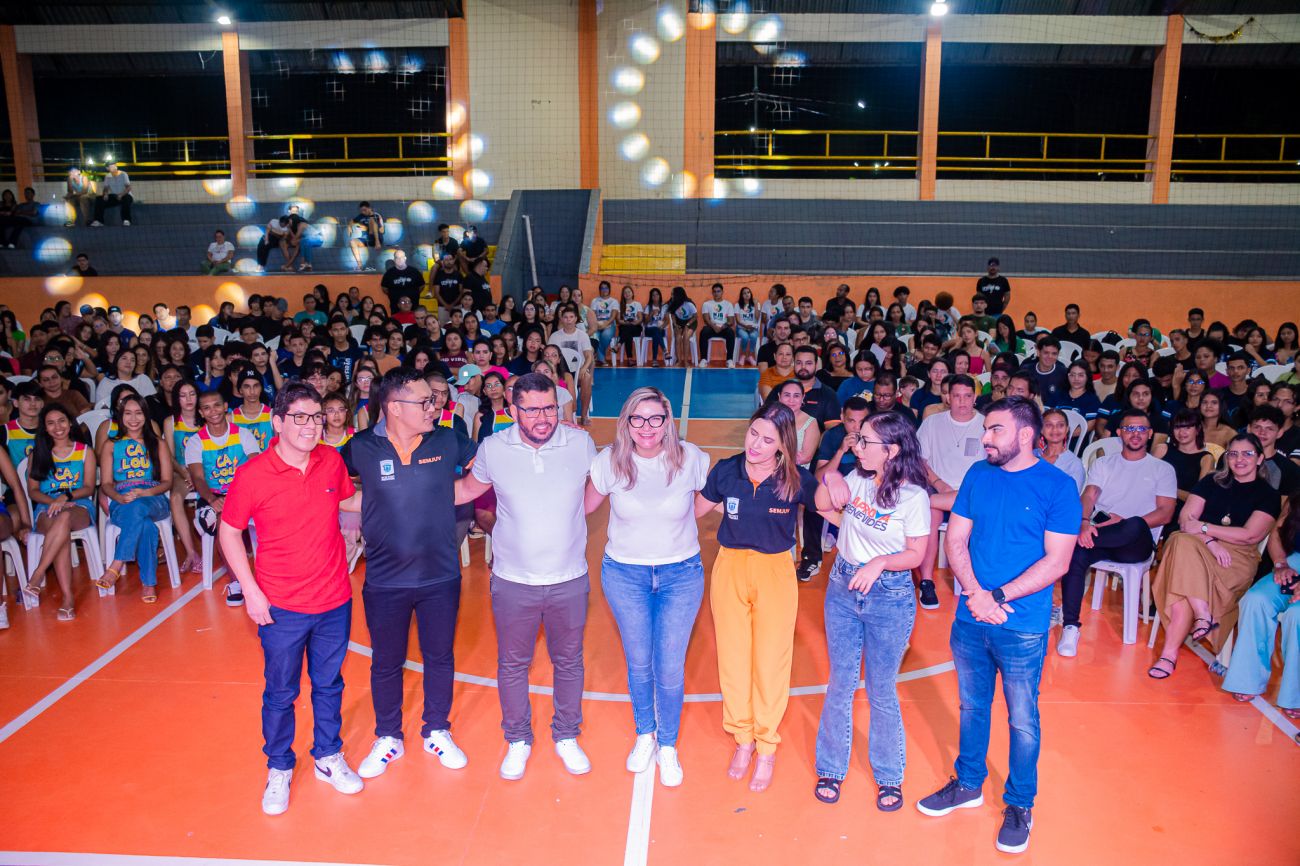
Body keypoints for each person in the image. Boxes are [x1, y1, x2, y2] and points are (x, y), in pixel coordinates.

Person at [916, 397, 1080, 856]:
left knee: (1022, 718)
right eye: (986, 429)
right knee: (972, 706)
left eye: (995, 430)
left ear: (1026, 435)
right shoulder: (978, 475)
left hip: (1022, 624)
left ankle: (1020, 804)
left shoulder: (1058, 486)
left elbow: (1058, 562)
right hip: (971, 615)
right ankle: (969, 783)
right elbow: (956, 539)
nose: (985, 438)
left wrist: (998, 597)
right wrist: (975, 594)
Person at [218, 382, 362, 815]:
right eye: (299, 417)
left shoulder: (330, 460)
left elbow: (348, 501)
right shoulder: (252, 474)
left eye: (316, 416)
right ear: (277, 422)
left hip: (334, 598)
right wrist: (251, 592)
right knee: (281, 692)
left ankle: (327, 755)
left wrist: (403, 492)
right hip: (281, 604)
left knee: (329, 684)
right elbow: (230, 532)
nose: (310, 425)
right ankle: (279, 765)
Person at [453, 373, 597, 781]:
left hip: (569, 578)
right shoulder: (494, 448)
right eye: (531, 410)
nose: (542, 418)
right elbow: (466, 491)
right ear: (513, 410)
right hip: (513, 580)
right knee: (513, 663)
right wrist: (407, 490)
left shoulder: (580, 443)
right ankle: (517, 738)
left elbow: (602, 487)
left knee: (569, 661)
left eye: (549, 408)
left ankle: (566, 734)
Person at [342, 368, 478, 779]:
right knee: (385, 662)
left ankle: (437, 729)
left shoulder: (447, 439)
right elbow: (326, 482)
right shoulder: (362, 447)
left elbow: (489, 468)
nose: (434, 407)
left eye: (434, 400)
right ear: (394, 407)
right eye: (424, 401)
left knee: (440, 656)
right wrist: (367, 503)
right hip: (385, 580)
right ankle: (388, 736)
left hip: (440, 576)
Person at [583, 388, 709, 787]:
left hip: (681, 574)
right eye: (637, 419)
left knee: (669, 666)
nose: (647, 427)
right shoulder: (610, 462)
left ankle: (667, 745)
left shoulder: (691, 459)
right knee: (639, 662)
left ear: (668, 420)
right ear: (626, 422)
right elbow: (581, 506)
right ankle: (645, 734)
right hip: (625, 575)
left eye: (655, 418)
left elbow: (716, 498)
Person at [695, 402, 818, 793]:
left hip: (775, 571)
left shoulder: (795, 479)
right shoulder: (726, 471)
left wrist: (837, 479)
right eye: (753, 434)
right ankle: (743, 739)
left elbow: (836, 510)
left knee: (771, 660)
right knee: (733, 658)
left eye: (768, 440)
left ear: (783, 444)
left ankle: (766, 746)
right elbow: (693, 510)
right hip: (729, 566)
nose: (756, 444)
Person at [812, 411, 930, 811]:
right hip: (843, 589)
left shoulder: (913, 497)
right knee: (840, 683)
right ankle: (830, 767)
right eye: (858, 438)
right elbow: (822, 505)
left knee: (881, 690)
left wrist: (879, 563)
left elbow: (916, 554)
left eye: (865, 441)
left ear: (891, 450)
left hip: (889, 596)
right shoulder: (858, 477)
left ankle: (889, 776)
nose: (857, 446)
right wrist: (831, 477)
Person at [1149, 432, 1280, 680]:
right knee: (1181, 541)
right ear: (1227, 458)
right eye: (1233, 454)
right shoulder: (1211, 481)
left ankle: (1169, 654)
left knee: (1181, 560)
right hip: (1198, 546)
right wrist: (1210, 542)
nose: (1239, 459)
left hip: (1234, 559)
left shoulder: (1268, 495)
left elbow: (1249, 535)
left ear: (1260, 458)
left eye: (1247, 454)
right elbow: (1185, 520)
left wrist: (1205, 528)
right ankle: (1201, 615)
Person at [1057, 409, 1177, 656]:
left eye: (1141, 429)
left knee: (1134, 524)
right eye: (1130, 429)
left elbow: (1166, 513)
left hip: (1137, 543)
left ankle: (1075, 540)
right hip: (1103, 536)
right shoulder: (1104, 464)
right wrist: (1084, 523)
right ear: (1120, 433)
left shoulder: (1162, 469)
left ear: (1150, 434)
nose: (1135, 434)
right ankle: (1070, 627)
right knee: (1077, 554)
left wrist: (1125, 523)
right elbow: (1089, 495)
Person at [1222, 493, 1300, 719]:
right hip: (1294, 562)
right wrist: (1281, 564)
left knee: (1296, 615)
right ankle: (1247, 679)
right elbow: (1277, 534)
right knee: (1255, 600)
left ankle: (1295, 695)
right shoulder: (1296, 498)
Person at [93, 394, 174, 602]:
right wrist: (118, 498)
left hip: (153, 497)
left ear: (146, 416)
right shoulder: (111, 445)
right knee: (145, 525)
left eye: (138, 413)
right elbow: (106, 484)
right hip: (123, 499)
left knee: (138, 507)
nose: (133, 419)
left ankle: (116, 565)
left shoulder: (158, 443)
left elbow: (167, 482)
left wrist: (143, 493)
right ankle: (149, 583)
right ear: (120, 417)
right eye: (128, 413)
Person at [21, 405, 97, 620]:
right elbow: (33, 491)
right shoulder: (37, 454)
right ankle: (67, 598)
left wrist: (65, 497)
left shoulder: (85, 451)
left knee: (63, 518)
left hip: (78, 505)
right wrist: (54, 501)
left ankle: (38, 574)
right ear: (44, 428)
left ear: (70, 422)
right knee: (60, 526)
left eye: (62, 421)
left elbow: (89, 487)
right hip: (47, 507)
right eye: (51, 423)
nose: (58, 427)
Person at [915, 375, 985, 608]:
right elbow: (920, 460)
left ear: (975, 398)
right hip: (938, 488)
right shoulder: (932, 423)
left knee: (931, 503)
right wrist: (938, 483)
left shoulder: (985, 424)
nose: (962, 401)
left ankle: (928, 501)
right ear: (947, 397)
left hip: (972, 492)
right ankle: (926, 582)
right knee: (929, 517)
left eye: (967, 396)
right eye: (956, 396)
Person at [186, 389, 261, 605]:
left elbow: (255, 468)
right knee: (223, 523)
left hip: (243, 493)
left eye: (217, 405)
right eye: (207, 408)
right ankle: (237, 582)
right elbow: (198, 478)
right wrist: (212, 499)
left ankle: (270, 576)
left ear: (225, 406)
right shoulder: (196, 442)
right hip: (213, 496)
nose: (213, 411)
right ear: (201, 412)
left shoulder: (243, 434)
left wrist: (238, 496)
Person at [1039, 409, 1085, 493]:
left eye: (1060, 425)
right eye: (1049, 425)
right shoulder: (1032, 456)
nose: (1055, 429)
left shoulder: (1073, 464)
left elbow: (1071, 496)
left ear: (1067, 429)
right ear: (1041, 429)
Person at [698, 283, 737, 367]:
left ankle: (729, 360)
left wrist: (722, 327)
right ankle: (704, 359)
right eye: (714, 292)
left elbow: (731, 321)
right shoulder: (707, 304)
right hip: (711, 327)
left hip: (723, 328)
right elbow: (706, 319)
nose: (716, 293)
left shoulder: (728, 304)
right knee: (704, 332)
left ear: (722, 292)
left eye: (718, 291)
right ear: (712, 293)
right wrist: (714, 326)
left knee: (731, 332)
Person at [350, 201, 385, 270]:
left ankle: (377, 242)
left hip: (377, 238)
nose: (363, 212)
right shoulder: (361, 216)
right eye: (362, 211)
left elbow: (382, 230)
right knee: (352, 242)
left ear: (369, 208)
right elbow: (352, 221)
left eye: (365, 210)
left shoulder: (376, 215)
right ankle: (359, 265)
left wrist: (377, 241)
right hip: (367, 239)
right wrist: (349, 227)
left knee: (372, 220)